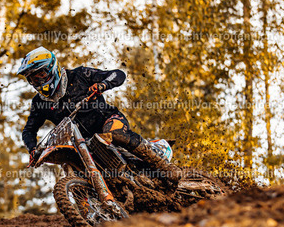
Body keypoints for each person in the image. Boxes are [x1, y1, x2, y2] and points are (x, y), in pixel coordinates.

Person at [17, 46, 183, 187]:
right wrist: (32, 148)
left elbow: (118, 74)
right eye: (33, 79)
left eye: (41, 74)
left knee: (114, 134)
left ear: (52, 67)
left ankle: (164, 166)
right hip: (83, 143)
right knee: (70, 164)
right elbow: (29, 130)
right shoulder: (39, 102)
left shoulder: (79, 75)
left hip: (108, 121)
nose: (38, 81)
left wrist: (103, 84)